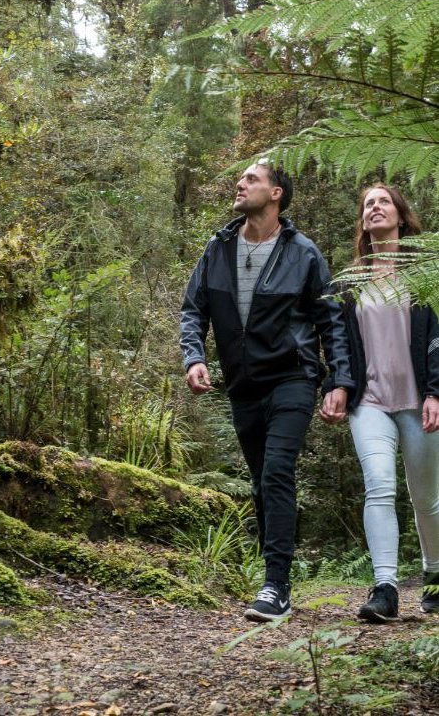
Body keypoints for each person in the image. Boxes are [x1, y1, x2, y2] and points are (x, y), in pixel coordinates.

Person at [180, 161, 355, 621]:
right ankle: (272, 576)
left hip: (292, 378)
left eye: (251, 179)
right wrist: (194, 357)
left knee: (277, 472)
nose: (240, 184)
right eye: (241, 179)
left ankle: (276, 584)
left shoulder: (303, 252)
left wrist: (338, 380)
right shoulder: (217, 248)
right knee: (261, 481)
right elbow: (192, 310)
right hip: (242, 385)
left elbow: (331, 321)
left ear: (276, 193)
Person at [340, 183, 439, 623]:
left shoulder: (426, 274)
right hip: (371, 402)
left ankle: (435, 576)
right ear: (363, 221)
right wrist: (337, 385)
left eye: (383, 202)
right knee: (378, 486)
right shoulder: (350, 282)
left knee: (426, 499)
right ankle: (385, 589)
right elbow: (340, 344)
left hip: (420, 401)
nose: (374, 208)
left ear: (400, 215)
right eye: (367, 204)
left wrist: (436, 391)